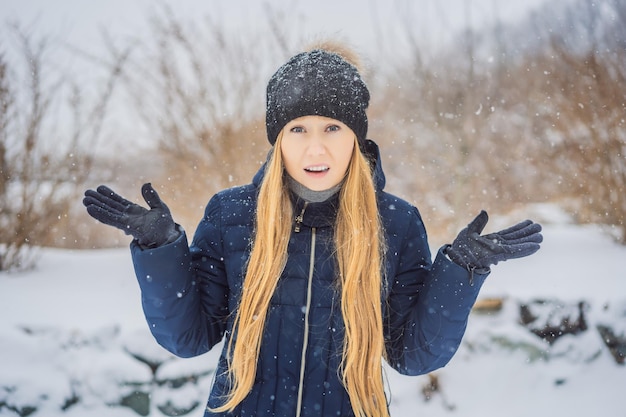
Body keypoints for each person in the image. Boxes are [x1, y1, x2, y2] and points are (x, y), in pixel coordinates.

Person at [83, 44, 543, 417]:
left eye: (333, 127)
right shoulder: (231, 214)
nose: (315, 146)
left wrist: (460, 271)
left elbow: (413, 355)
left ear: (356, 138)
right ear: (278, 139)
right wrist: (160, 248)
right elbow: (188, 338)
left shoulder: (396, 223)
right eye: (297, 128)